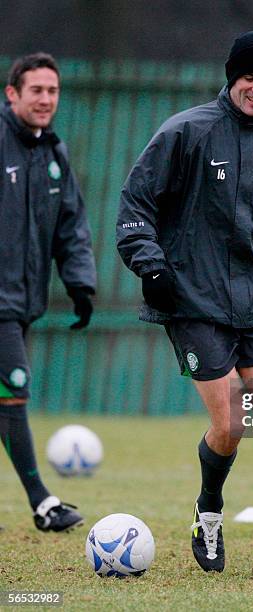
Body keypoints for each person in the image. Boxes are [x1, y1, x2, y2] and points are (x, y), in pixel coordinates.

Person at [117, 30, 253, 577]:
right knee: (234, 419)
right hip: (195, 301)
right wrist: (152, 264)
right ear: (231, 77)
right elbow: (135, 206)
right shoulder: (185, 133)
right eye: (249, 78)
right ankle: (208, 508)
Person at [0, 53, 96, 532]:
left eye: (52, 91)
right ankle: (43, 502)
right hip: (2, 304)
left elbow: (71, 228)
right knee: (13, 390)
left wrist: (80, 284)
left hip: (20, 302)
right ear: (12, 93)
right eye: (35, 90)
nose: (45, 99)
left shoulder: (53, 155)